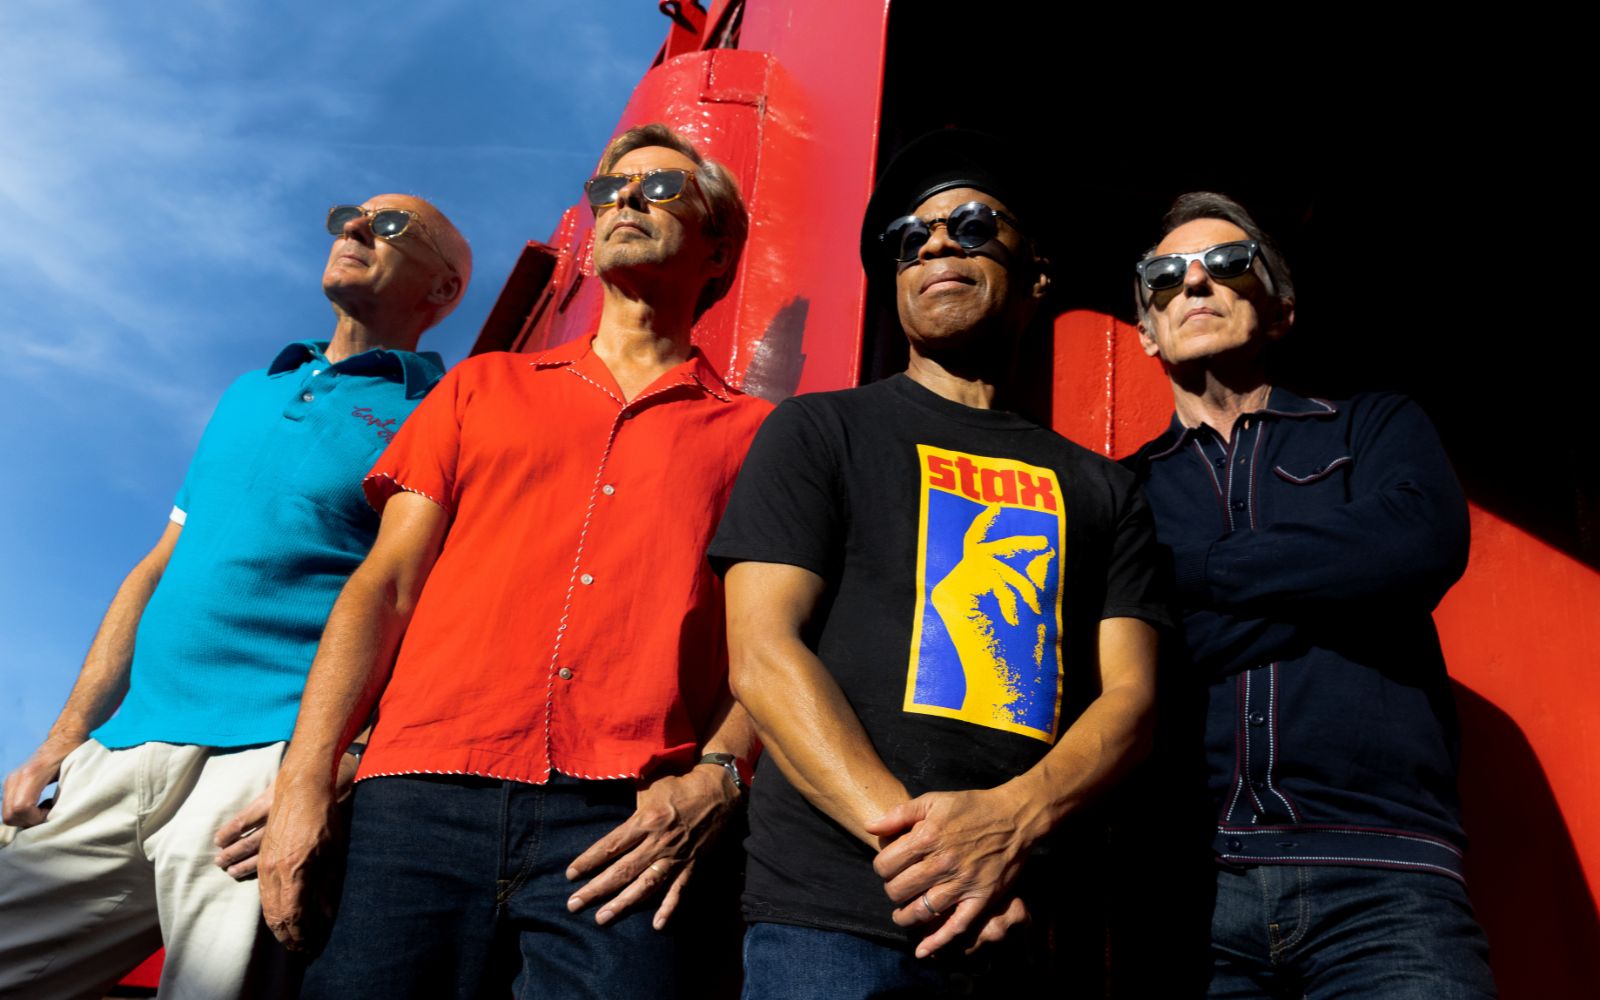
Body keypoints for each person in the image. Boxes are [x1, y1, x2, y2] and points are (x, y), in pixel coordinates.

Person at [258, 123, 769, 999]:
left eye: (661, 188)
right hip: (416, 801)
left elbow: (774, 641)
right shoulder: (479, 386)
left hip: (626, 825)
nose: (625, 200)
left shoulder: (760, 436)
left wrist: (719, 776)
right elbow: (386, 585)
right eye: (609, 189)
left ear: (718, 250)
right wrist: (306, 780)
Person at [708, 128, 1171, 998]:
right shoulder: (819, 432)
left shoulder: (1106, 489)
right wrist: (935, 859)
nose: (934, 245)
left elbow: (1132, 701)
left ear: (1036, 270)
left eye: (971, 224)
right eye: (908, 238)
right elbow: (763, 657)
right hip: (831, 922)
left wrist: (1014, 821)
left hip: (1020, 928)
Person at [0, 194, 470, 999]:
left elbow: (419, 600)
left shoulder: (441, 411)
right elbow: (158, 566)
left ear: (442, 289)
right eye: (351, 217)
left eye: (392, 227)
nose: (356, 230)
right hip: (120, 750)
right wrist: (64, 737)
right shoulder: (249, 392)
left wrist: (337, 765)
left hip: (262, 767)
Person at [1123, 191, 1497, 998]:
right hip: (1187, 891)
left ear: (1280, 309)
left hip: (1386, 881)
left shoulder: (1373, 427)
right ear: (1147, 330)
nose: (1195, 283)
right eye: (1166, 275)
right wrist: (1341, 597)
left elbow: (1419, 544)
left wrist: (1195, 574)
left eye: (1227, 263)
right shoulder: (1119, 493)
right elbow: (1132, 667)